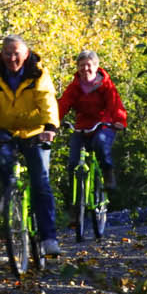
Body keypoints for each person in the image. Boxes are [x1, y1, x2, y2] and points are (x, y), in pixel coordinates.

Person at [0, 34, 62, 257]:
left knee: (41, 182)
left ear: (26, 54)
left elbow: (46, 98)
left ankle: (49, 238)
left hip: (35, 131)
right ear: (2, 54)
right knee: (1, 161)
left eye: (16, 54)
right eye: (7, 54)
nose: (12, 58)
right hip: (7, 129)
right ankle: (9, 192)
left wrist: (50, 126)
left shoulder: (37, 72)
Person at [58, 48, 128, 190]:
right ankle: (75, 200)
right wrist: (53, 122)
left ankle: (108, 172)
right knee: (73, 162)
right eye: (81, 65)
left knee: (101, 143)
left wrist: (119, 121)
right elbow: (63, 104)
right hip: (82, 127)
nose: (85, 68)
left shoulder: (106, 85)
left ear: (96, 66)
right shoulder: (74, 87)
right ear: (77, 68)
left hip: (103, 125)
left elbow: (115, 104)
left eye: (89, 65)